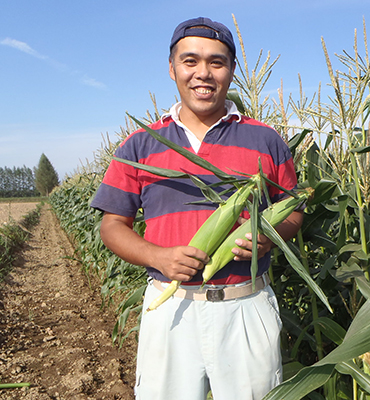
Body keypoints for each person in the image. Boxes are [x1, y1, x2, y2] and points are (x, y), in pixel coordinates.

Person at [91, 16, 303, 400]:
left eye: (216, 62)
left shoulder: (266, 139)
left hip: (245, 305)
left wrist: (269, 236)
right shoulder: (140, 145)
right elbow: (112, 226)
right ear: (172, 68)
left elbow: (292, 210)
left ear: (232, 71)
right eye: (190, 61)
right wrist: (159, 256)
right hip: (171, 307)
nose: (203, 73)